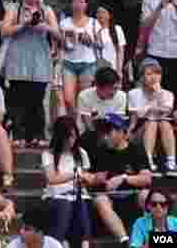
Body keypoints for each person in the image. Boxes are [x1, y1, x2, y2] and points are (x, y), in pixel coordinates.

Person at [0, 0, 59, 147]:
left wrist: (45, 27)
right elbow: (4, 31)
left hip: (39, 61)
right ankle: (17, 135)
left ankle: (37, 135)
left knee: (37, 99)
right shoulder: (14, 8)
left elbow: (58, 34)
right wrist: (23, 25)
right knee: (17, 100)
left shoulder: (46, 10)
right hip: (18, 61)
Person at [89, 112, 152, 243]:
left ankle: (152, 238)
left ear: (122, 132)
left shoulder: (136, 150)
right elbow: (92, 178)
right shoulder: (99, 150)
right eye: (103, 132)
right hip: (110, 198)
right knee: (100, 200)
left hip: (133, 197)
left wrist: (123, 178)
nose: (105, 136)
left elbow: (147, 178)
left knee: (146, 195)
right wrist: (95, 178)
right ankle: (125, 241)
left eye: (109, 131)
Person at [42, 117, 94, 248]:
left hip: (78, 195)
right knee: (65, 205)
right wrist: (75, 174)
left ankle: (85, 243)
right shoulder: (49, 154)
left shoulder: (82, 153)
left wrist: (88, 179)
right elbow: (52, 178)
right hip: (55, 196)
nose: (71, 140)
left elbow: (86, 179)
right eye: (68, 137)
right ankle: (60, 242)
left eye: (73, 136)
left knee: (80, 202)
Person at [128, 57, 177, 174]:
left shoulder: (167, 94)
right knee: (152, 123)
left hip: (162, 132)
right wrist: (153, 103)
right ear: (141, 76)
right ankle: (147, 161)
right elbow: (137, 117)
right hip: (140, 131)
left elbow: (165, 112)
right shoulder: (133, 94)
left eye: (157, 73)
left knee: (163, 123)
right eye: (149, 74)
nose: (154, 77)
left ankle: (171, 161)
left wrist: (158, 94)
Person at [137, 0, 177, 95]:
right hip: (156, 52)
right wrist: (160, 7)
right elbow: (144, 25)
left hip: (175, 52)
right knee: (154, 91)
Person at [59, 0, 98, 118]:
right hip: (68, 63)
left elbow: (100, 45)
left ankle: (86, 131)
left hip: (88, 64)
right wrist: (65, 42)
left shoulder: (93, 22)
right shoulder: (64, 23)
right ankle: (73, 127)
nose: (78, 4)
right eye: (75, 1)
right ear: (71, 4)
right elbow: (59, 44)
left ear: (86, 5)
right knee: (68, 100)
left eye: (81, 1)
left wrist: (89, 40)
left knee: (85, 100)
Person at [76, 67, 126, 142]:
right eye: (109, 88)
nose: (113, 92)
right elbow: (89, 125)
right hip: (90, 133)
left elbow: (118, 123)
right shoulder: (84, 96)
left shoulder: (121, 96)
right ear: (98, 86)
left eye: (115, 88)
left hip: (111, 132)